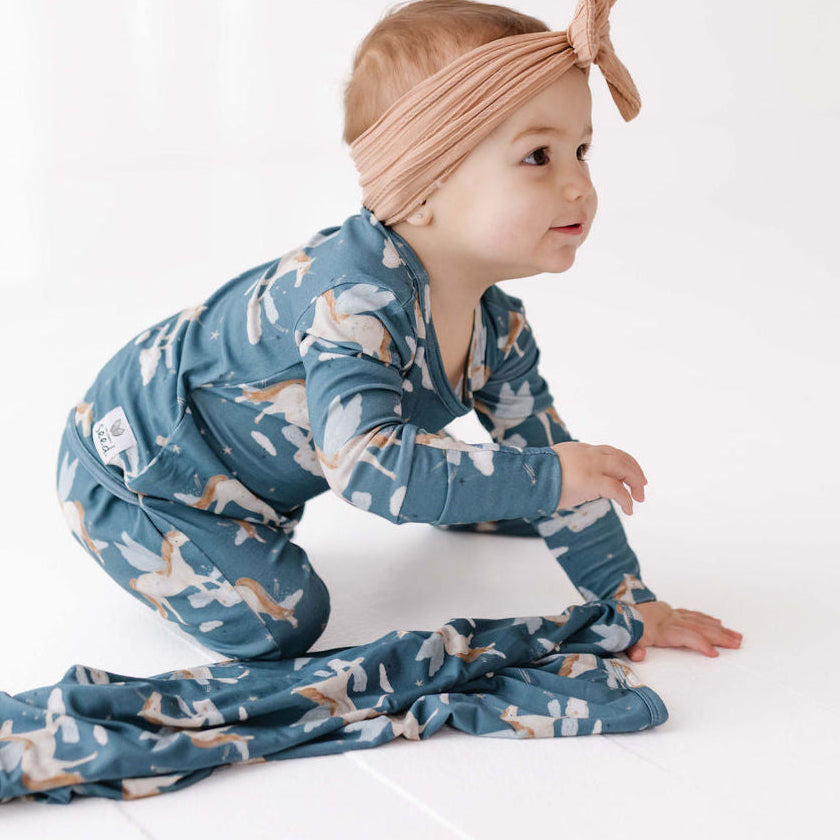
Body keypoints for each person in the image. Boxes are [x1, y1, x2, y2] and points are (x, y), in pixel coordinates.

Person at [0, 0, 741, 804]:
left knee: (535, 472)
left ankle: (457, 486)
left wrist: (631, 603)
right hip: (135, 474)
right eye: (538, 156)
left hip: (256, 468)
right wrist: (544, 477)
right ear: (423, 188)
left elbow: (550, 460)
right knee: (284, 622)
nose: (579, 184)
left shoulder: (497, 327)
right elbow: (370, 475)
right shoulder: (354, 303)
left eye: (583, 150)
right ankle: (438, 490)